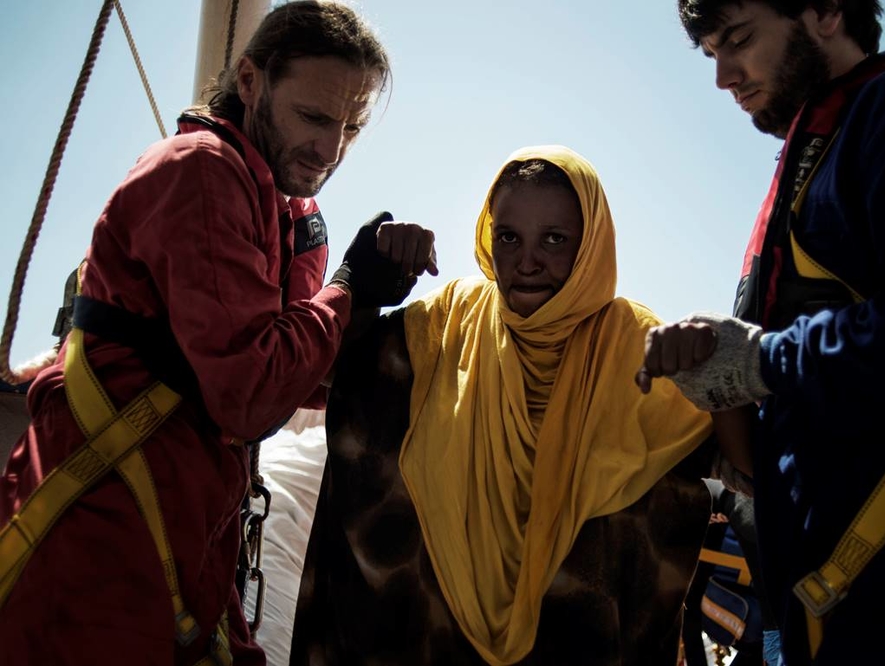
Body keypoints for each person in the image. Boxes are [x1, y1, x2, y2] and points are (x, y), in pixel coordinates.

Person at [0, 2, 438, 664]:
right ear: (251, 80)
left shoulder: (290, 217)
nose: (331, 150)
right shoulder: (199, 172)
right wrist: (351, 287)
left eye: (352, 126)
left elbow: (298, 372)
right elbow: (250, 393)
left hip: (186, 555)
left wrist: (381, 314)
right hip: (97, 556)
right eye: (315, 118)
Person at [637, 1, 885, 664]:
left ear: (828, 11)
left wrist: (763, 359)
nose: (723, 75)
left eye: (739, 39)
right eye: (711, 51)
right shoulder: (813, 159)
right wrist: (721, 380)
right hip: (832, 612)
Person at [289, 145, 725, 665]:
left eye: (556, 240)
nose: (527, 262)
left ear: (592, 248)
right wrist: (365, 283)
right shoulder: (443, 328)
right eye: (509, 237)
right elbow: (326, 377)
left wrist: (722, 365)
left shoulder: (639, 353)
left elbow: (739, 464)